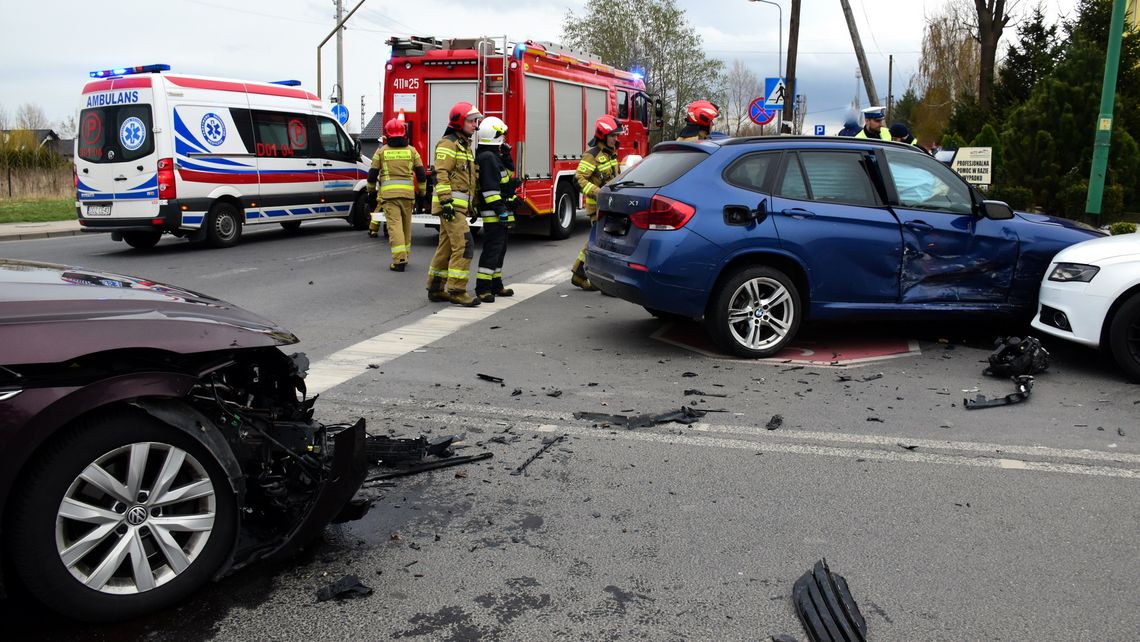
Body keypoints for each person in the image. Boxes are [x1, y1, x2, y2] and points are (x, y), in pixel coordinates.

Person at [427, 102, 482, 307]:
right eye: (471, 121)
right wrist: (446, 202)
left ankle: (435, 287)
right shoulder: (448, 144)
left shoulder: (464, 146)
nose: (475, 125)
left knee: (446, 246)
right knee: (465, 244)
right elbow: (440, 174)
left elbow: (469, 178)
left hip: (458, 206)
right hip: (449, 206)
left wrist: (473, 204)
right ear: (459, 121)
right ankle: (457, 290)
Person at [365, 116, 426, 271]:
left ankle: (399, 260)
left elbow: (372, 175)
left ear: (388, 134)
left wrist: (370, 191)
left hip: (390, 197)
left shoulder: (381, 152)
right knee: (406, 226)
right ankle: (405, 255)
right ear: (404, 133)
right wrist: (422, 192)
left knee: (395, 227)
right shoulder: (412, 151)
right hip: (408, 196)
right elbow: (421, 173)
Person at [570, 114, 624, 291]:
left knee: (600, 241)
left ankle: (583, 274)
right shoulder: (592, 155)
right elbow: (578, 179)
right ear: (603, 135)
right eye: (613, 136)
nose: (616, 139)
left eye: (617, 135)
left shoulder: (611, 154)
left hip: (610, 205)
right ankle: (581, 274)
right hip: (598, 207)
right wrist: (597, 192)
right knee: (598, 241)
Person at [472, 116, 519, 303]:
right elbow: (490, 190)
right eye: (502, 136)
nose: (504, 139)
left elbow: (508, 174)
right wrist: (501, 210)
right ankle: (483, 289)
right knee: (492, 249)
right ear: (495, 136)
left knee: (500, 249)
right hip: (494, 212)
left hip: (499, 209)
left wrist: (506, 155)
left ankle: (496, 285)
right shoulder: (488, 158)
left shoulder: (493, 156)